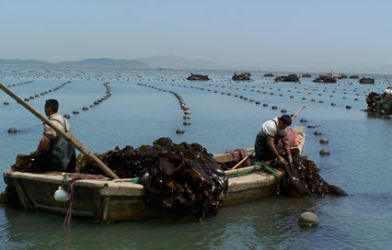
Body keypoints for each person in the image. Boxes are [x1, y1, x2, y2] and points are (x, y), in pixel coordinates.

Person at [37, 99, 76, 172]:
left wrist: (38, 152)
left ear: (49, 108)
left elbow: (45, 141)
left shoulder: (50, 123)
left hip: (57, 161)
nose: (44, 109)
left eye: (45, 107)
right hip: (70, 160)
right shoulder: (64, 120)